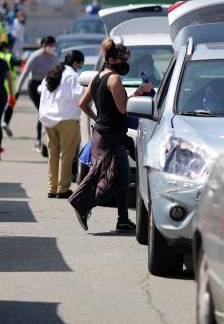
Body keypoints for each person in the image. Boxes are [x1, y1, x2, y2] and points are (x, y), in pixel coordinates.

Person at [68, 38, 152, 232]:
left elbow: (82, 104)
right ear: (114, 60)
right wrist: (139, 92)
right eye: (124, 59)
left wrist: (97, 118)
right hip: (110, 136)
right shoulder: (114, 80)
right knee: (121, 180)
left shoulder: (98, 77)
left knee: (113, 175)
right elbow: (123, 109)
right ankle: (82, 203)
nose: (126, 64)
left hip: (104, 133)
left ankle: (121, 219)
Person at [39, 50, 85, 199]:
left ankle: (51, 188)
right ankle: (62, 189)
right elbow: (79, 95)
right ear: (76, 63)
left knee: (53, 154)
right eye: (80, 65)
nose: (80, 68)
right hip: (67, 119)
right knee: (66, 155)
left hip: (48, 119)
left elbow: (40, 89)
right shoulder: (73, 75)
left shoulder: (52, 73)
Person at [15, 36, 59, 151]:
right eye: (50, 46)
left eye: (53, 46)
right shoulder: (36, 57)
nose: (52, 48)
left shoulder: (55, 58)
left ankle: (44, 139)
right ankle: (39, 140)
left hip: (48, 86)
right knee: (41, 111)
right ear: (43, 45)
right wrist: (17, 90)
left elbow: (61, 73)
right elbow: (25, 73)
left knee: (45, 112)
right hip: (34, 86)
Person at [0, 42, 21, 137]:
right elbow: (18, 62)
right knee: (10, 105)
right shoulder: (9, 56)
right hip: (10, 86)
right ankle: (5, 122)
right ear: (5, 48)